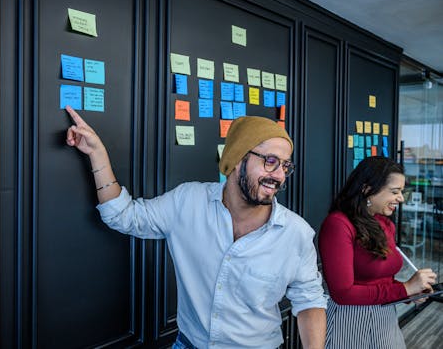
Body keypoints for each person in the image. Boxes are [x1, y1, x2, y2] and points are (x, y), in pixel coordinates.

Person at [64, 105, 327, 349]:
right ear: (237, 159)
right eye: (270, 161)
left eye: (285, 166)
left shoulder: (296, 233)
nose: (279, 175)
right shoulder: (187, 202)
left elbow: (310, 301)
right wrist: (97, 154)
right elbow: (123, 215)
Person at [318, 156, 437, 349]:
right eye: (395, 191)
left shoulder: (385, 224)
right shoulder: (338, 225)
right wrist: (405, 288)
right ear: (367, 189)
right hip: (350, 322)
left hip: (386, 319)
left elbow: (384, 281)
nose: (400, 198)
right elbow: (342, 294)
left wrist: (411, 292)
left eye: (401, 191)